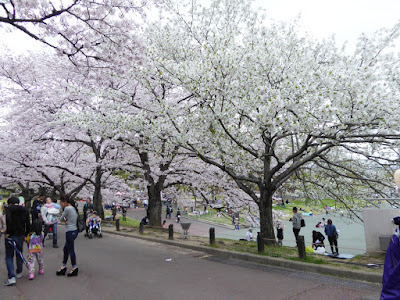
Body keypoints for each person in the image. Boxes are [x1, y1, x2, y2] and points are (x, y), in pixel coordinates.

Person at [4, 196, 30, 286]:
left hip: (11, 236)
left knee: (9, 256)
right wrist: (26, 235)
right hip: (21, 235)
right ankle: (19, 272)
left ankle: (11, 277)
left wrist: (7, 233)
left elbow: (9, 221)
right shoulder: (25, 210)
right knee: (19, 253)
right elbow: (28, 223)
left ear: (10, 203)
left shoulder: (8, 209)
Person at [56, 194, 79, 277]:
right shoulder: (72, 207)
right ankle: (63, 266)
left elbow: (61, 218)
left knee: (70, 250)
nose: (60, 204)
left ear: (65, 202)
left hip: (70, 231)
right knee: (66, 249)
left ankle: (74, 268)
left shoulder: (67, 208)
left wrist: (65, 220)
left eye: (61, 202)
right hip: (74, 230)